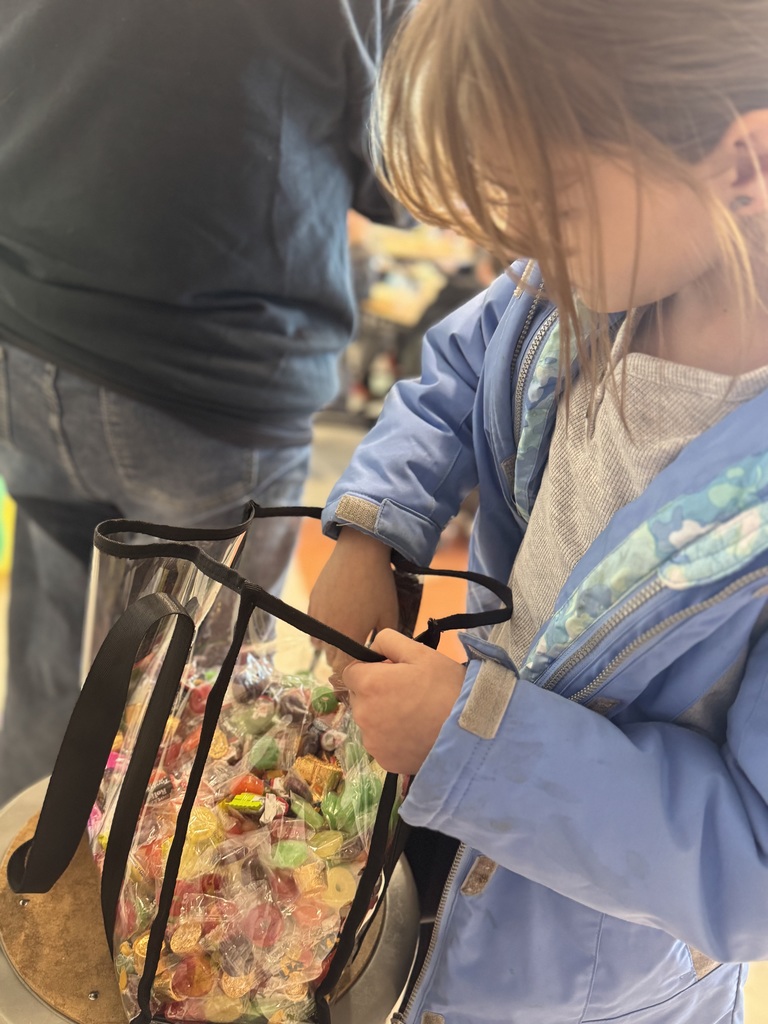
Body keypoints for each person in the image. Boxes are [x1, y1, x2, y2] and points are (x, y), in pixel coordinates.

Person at [308, 1, 768, 1021]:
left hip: (598, 979)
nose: (516, 244)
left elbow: (752, 862)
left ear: (743, 166)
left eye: (550, 204)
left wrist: (475, 743)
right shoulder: (578, 278)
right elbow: (461, 370)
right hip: (461, 845)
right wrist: (374, 523)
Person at [0, 0, 410, 805]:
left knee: (54, 665)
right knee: (195, 721)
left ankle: (25, 906)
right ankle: (136, 923)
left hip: (31, 329)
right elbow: (402, 165)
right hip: (212, 376)